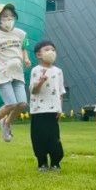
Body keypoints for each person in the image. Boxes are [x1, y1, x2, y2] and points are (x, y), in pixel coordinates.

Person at [0, 3, 31, 144]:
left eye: (10, 16)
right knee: (10, 104)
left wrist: (26, 58)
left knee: (22, 104)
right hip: (2, 73)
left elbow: (24, 48)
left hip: (18, 72)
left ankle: (6, 123)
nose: (8, 19)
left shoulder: (21, 34)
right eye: (4, 16)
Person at [28, 40, 65, 171]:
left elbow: (60, 91)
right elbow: (34, 90)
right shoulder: (36, 70)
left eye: (53, 50)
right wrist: (40, 81)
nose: (51, 52)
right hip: (38, 110)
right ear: (38, 54)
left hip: (53, 110)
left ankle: (55, 162)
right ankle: (42, 162)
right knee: (38, 137)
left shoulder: (58, 71)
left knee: (54, 137)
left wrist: (60, 108)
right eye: (47, 49)